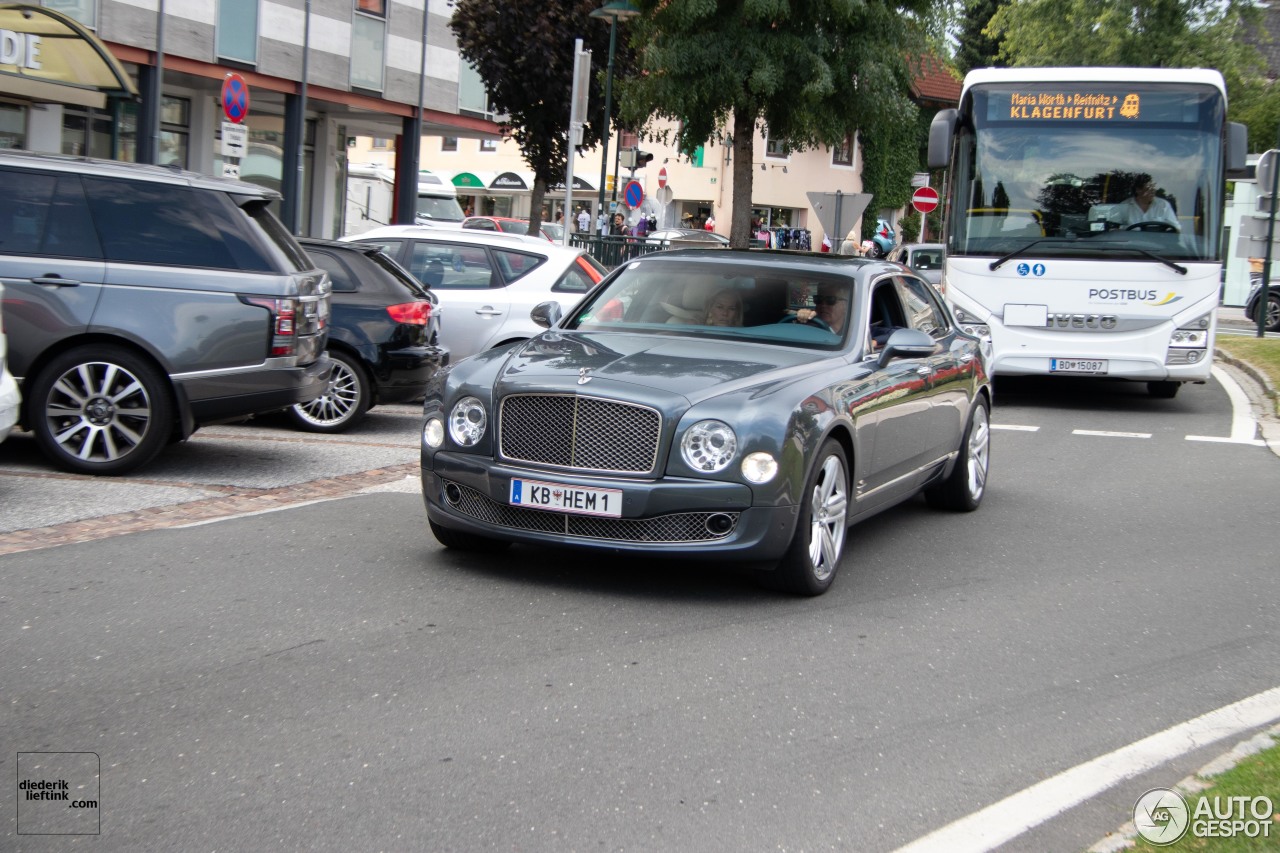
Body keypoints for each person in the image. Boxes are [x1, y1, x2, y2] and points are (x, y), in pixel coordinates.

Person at [1110, 174, 1179, 231]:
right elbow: (1112, 229)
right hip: (1130, 246)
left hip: (1158, 245)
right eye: (1149, 189)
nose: (1153, 191)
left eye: (1153, 188)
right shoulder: (1124, 206)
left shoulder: (1163, 205)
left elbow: (1176, 227)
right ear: (1138, 190)